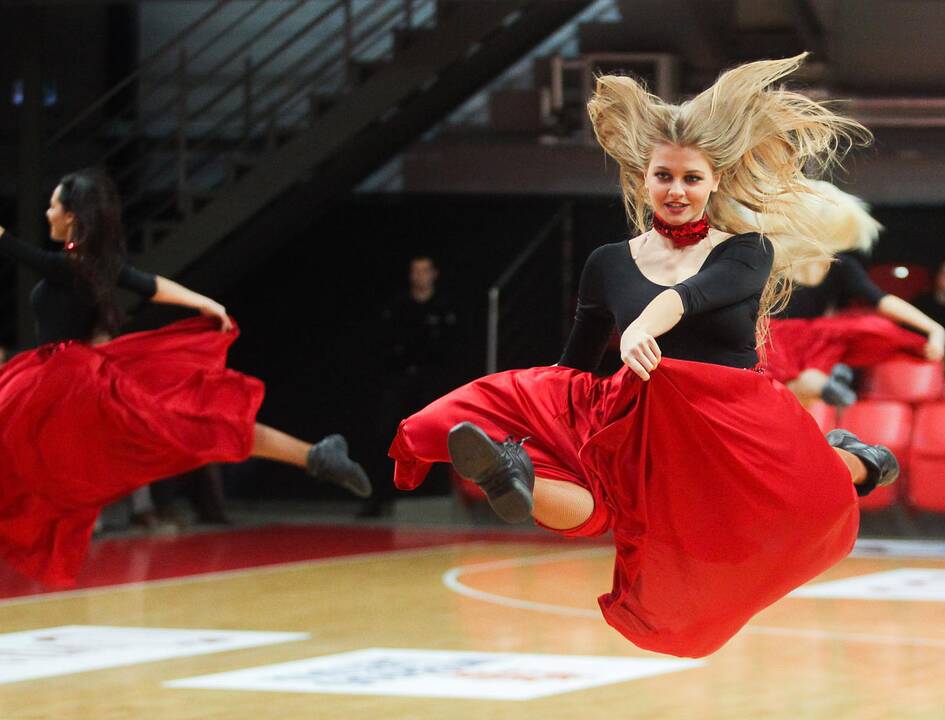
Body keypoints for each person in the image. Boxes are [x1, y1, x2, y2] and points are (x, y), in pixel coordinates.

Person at [388, 55, 898, 658]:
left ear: (713, 182)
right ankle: (512, 468)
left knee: (807, 504)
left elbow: (691, 297)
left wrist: (640, 331)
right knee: (603, 502)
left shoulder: (747, 250)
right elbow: (576, 360)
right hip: (641, 409)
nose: (676, 190)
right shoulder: (607, 261)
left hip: (729, 415)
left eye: (690, 178)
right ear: (642, 178)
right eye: (664, 176)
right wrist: (537, 408)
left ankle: (861, 460)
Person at [0, 168, 371, 587]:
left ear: (71, 216)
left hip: (61, 382)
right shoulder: (93, 263)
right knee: (194, 424)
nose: (47, 211)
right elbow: (151, 285)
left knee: (191, 426)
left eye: (53, 204)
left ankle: (317, 457)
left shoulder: (73, 265)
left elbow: (18, 251)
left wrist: (204, 303)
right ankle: (316, 456)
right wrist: (203, 301)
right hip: (72, 376)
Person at [758, 180, 945, 407]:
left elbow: (882, 300)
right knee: (791, 393)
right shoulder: (783, 259)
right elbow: (882, 300)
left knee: (783, 392)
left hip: (786, 341)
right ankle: (826, 382)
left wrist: (934, 328)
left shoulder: (773, 257)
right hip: (806, 343)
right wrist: (933, 328)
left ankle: (823, 384)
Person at [360, 255, 459, 517]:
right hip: (401, 379)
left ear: (433, 274)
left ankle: (436, 494)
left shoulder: (445, 308)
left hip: (432, 382)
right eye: (415, 271)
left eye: (424, 271)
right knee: (387, 433)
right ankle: (378, 497)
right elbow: (386, 345)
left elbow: (451, 349)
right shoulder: (398, 307)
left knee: (436, 435)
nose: (419, 276)